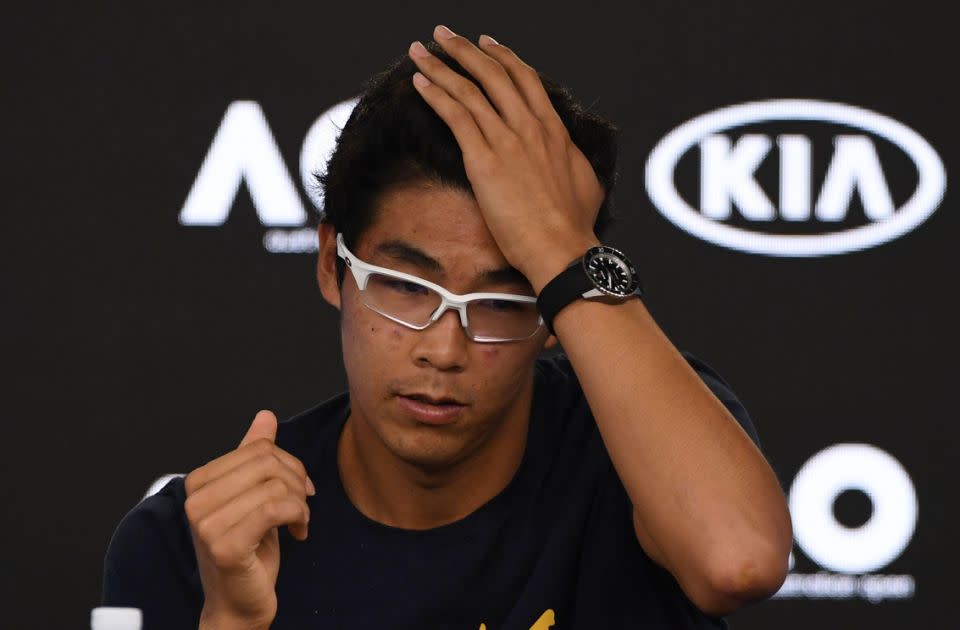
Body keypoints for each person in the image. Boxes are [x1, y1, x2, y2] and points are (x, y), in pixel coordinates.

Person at [101, 25, 792, 629]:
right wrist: (234, 622)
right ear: (328, 264)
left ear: (555, 313)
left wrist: (562, 249)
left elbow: (739, 563)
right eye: (404, 287)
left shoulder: (636, 451)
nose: (443, 349)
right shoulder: (190, 547)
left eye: (501, 300)